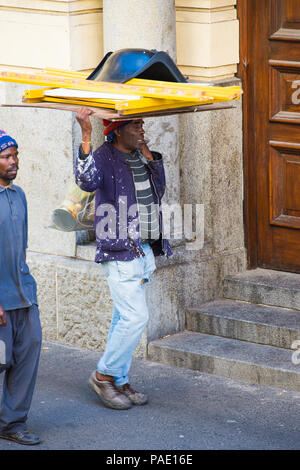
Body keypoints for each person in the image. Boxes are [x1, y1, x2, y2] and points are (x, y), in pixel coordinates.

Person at [75, 108, 172, 410]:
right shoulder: (104, 156)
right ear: (117, 130)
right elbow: (86, 181)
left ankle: (119, 379)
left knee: (123, 318)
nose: (142, 130)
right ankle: (104, 375)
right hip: (119, 251)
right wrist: (87, 134)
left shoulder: (139, 155)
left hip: (142, 249)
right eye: (135, 125)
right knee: (135, 318)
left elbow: (160, 190)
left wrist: (148, 153)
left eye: (142, 124)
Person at [0, 130, 42, 445]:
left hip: (25, 297)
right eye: (5, 156)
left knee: (26, 359)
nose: (13, 162)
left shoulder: (19, 195)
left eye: (15, 155)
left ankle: (12, 423)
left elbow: (23, 247)